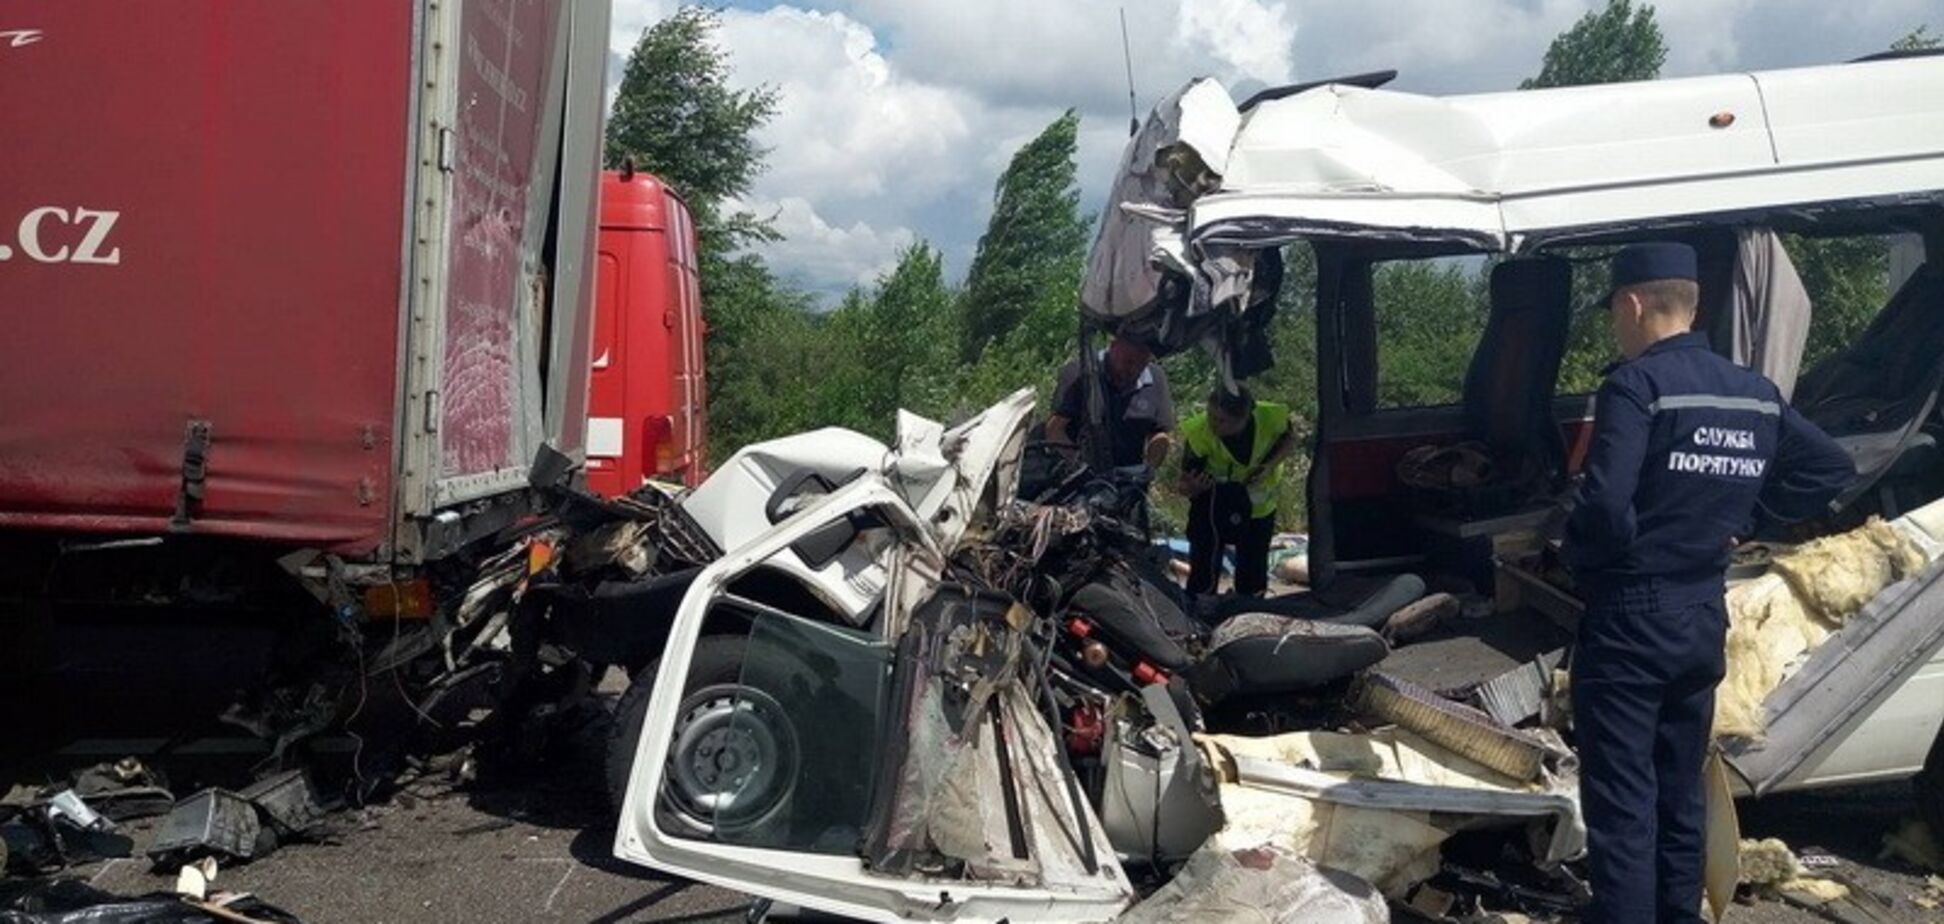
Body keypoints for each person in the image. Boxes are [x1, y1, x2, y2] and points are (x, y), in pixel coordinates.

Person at [1563, 242, 1854, 924]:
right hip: (1701, 613)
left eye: (1615, 313)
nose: (1617, 326)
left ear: (1633, 304)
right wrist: (1749, 518)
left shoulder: (1635, 387)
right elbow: (1828, 468)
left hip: (1631, 613)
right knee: (1680, 786)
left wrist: (1584, 559)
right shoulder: (1752, 392)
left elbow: (1604, 507)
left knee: (1623, 796)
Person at [1178, 385, 1297, 597]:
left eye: (1222, 421)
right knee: (1204, 567)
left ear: (1245, 418)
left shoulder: (1269, 417)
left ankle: (1250, 608)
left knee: (1253, 570)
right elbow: (1184, 485)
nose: (1214, 425)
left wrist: (1269, 465)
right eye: (1211, 416)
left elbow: (1290, 440)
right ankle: (1200, 607)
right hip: (1213, 506)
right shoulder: (1199, 433)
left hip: (1257, 509)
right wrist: (1193, 488)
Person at [1046, 335, 1175, 472]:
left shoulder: (1156, 378)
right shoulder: (1079, 372)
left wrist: (1148, 469)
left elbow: (1159, 435)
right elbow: (1055, 429)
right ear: (1112, 348)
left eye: (1141, 364)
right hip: (1077, 474)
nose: (1133, 370)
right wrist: (1078, 465)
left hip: (1128, 479)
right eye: (1128, 362)